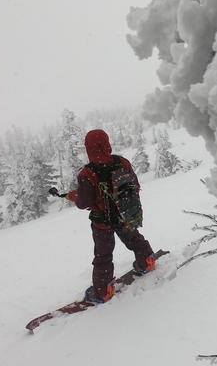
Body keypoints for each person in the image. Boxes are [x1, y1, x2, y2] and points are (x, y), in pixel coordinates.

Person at [66, 129, 155, 304]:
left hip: (102, 223)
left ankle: (103, 291)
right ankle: (147, 261)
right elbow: (135, 185)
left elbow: (83, 202)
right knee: (134, 238)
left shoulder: (87, 173)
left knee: (103, 255)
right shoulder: (122, 162)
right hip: (124, 215)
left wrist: (72, 195)